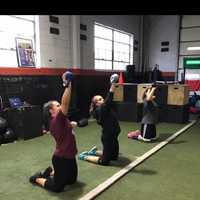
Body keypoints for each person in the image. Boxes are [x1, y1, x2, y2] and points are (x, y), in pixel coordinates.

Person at [29, 71, 78, 193]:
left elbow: (63, 128)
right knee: (58, 187)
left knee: (71, 181)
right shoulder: (56, 119)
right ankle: (37, 178)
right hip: (61, 158)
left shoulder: (59, 120)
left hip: (70, 156)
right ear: (51, 111)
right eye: (57, 105)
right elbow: (66, 103)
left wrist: (71, 126)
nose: (60, 106)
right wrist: (67, 84)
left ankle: (51, 172)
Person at [78, 82, 121, 166]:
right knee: (105, 161)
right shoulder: (100, 110)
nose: (103, 100)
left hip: (113, 134)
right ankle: (84, 156)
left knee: (114, 157)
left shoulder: (104, 108)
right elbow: (109, 99)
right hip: (108, 136)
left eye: (102, 98)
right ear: (96, 104)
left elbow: (107, 102)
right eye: (100, 99)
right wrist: (112, 85)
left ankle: (94, 152)